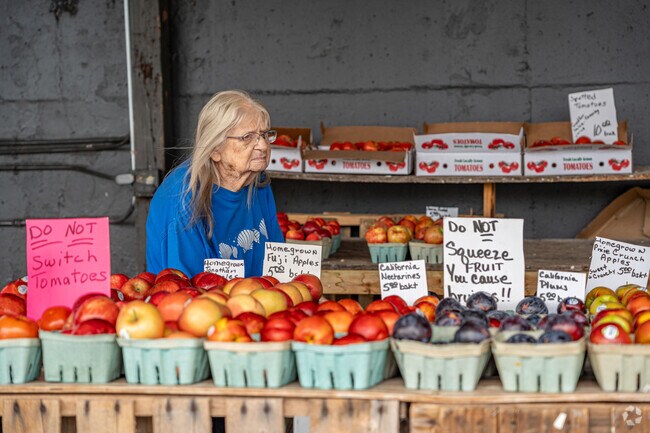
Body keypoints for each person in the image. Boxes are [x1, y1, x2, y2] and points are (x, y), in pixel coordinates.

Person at [146, 90, 284, 278]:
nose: (262, 145)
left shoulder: (257, 182)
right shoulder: (183, 198)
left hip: (256, 301)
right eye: (247, 137)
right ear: (215, 150)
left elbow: (277, 263)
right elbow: (189, 291)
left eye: (264, 135)